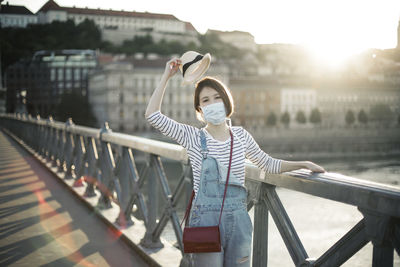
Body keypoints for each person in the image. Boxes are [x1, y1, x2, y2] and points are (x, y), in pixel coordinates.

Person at [145, 58, 325, 267]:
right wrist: (167, 76)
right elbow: (153, 115)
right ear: (199, 109)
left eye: (216, 97)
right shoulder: (192, 136)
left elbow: (267, 164)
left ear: (226, 101)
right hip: (205, 222)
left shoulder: (241, 136)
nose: (212, 103)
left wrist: (303, 164)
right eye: (205, 100)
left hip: (239, 222)